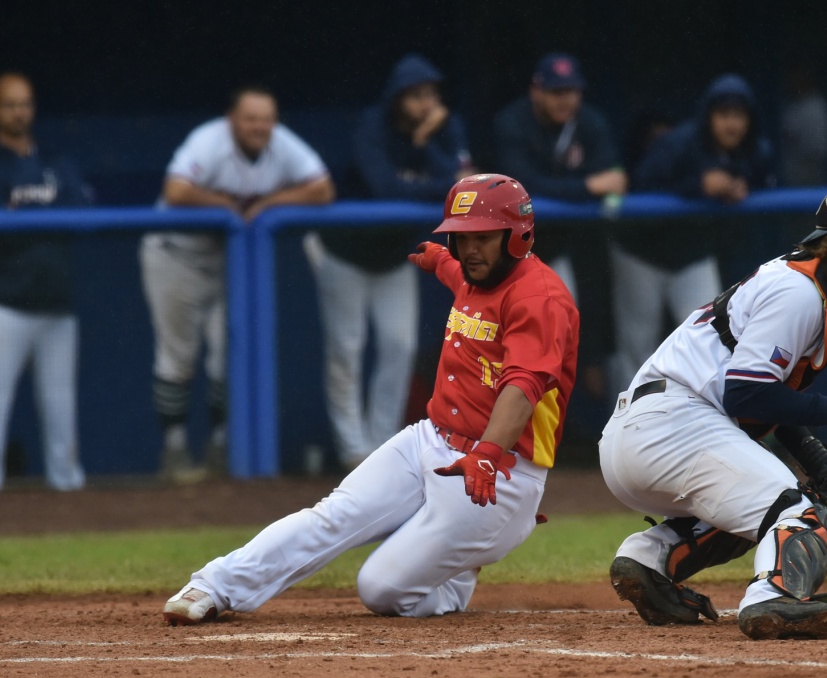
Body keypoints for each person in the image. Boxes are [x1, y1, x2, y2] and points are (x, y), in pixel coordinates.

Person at [163, 174, 580, 625]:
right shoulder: (474, 272)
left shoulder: (540, 298)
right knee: (332, 517)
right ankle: (214, 584)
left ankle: (462, 566)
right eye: (460, 238)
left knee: (380, 589)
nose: (469, 249)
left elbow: (522, 385)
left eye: (482, 237)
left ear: (516, 237)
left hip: (497, 473)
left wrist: (488, 453)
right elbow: (459, 274)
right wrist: (441, 258)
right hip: (431, 439)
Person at [600, 183, 827, 640]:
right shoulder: (799, 292)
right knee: (804, 514)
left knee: (755, 515)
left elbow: (764, 407)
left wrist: (825, 468)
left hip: (646, 432)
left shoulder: (804, 285)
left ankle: (650, 559)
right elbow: (746, 396)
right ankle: (774, 595)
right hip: (674, 426)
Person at [140, 86, 335, 483]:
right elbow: (174, 190)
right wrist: (227, 205)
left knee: (226, 359)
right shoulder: (208, 141)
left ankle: (219, 448)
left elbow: (323, 189)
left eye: (265, 119)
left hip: (228, 260)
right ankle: (174, 451)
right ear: (232, 119)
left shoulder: (281, 144)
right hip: (176, 254)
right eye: (250, 118)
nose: (258, 127)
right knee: (178, 356)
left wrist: (267, 204)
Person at [308, 53, 474, 471]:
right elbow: (384, 189)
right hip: (345, 251)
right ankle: (351, 449)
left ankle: (380, 449)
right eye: (417, 95)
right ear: (398, 98)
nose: (426, 103)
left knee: (399, 346)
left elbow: (465, 187)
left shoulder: (443, 130)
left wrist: (426, 146)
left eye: (432, 95)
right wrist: (434, 182)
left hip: (396, 255)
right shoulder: (373, 125)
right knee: (347, 348)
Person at [0, 72, 91, 495]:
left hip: (54, 302)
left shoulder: (53, 159)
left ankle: (68, 499)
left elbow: (82, 207)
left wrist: (25, 213)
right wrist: (40, 219)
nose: (19, 112)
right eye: (10, 104)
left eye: (26, 104)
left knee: (60, 410)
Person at [611, 73, 773, 393]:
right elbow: (638, 186)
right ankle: (625, 429)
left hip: (694, 254)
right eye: (724, 115)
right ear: (709, 116)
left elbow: (765, 182)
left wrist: (736, 187)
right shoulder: (679, 143)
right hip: (642, 252)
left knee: (710, 340)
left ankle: (705, 423)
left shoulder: (754, 150)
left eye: (739, 116)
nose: (732, 124)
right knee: (638, 346)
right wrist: (697, 186)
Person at [492, 51, 628, 300]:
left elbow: (611, 175)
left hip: (560, 246)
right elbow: (521, 185)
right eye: (556, 92)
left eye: (572, 91)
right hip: (505, 249)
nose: (565, 100)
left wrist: (595, 185)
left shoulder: (590, 121)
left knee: (562, 317)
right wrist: (586, 187)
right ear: (536, 91)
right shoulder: (511, 122)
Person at [778, 63, 827, 187]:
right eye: (793, 75)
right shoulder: (790, 105)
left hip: (813, 178)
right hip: (790, 177)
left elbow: (820, 150)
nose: (795, 79)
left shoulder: (817, 106)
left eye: (800, 74)